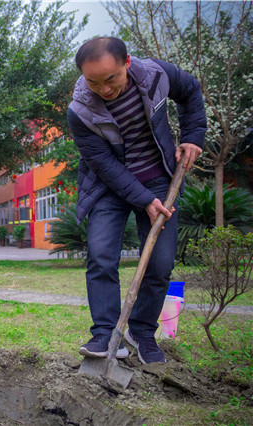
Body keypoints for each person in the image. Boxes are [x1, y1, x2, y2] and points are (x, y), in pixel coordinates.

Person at [67, 37, 205, 364]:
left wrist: (192, 137)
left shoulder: (156, 76)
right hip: (107, 185)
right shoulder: (80, 110)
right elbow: (104, 164)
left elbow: (191, 92)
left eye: (111, 78)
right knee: (101, 256)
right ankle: (105, 334)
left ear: (126, 62)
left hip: (158, 178)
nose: (104, 89)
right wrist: (143, 199)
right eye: (93, 82)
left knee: (160, 263)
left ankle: (141, 332)